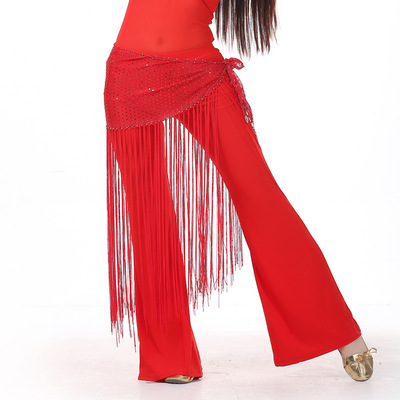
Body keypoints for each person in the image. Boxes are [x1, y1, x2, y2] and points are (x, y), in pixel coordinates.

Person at [103, 0, 377, 384]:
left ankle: (339, 331)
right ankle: (168, 358)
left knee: (261, 198)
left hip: (199, 74)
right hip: (130, 76)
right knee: (149, 217)